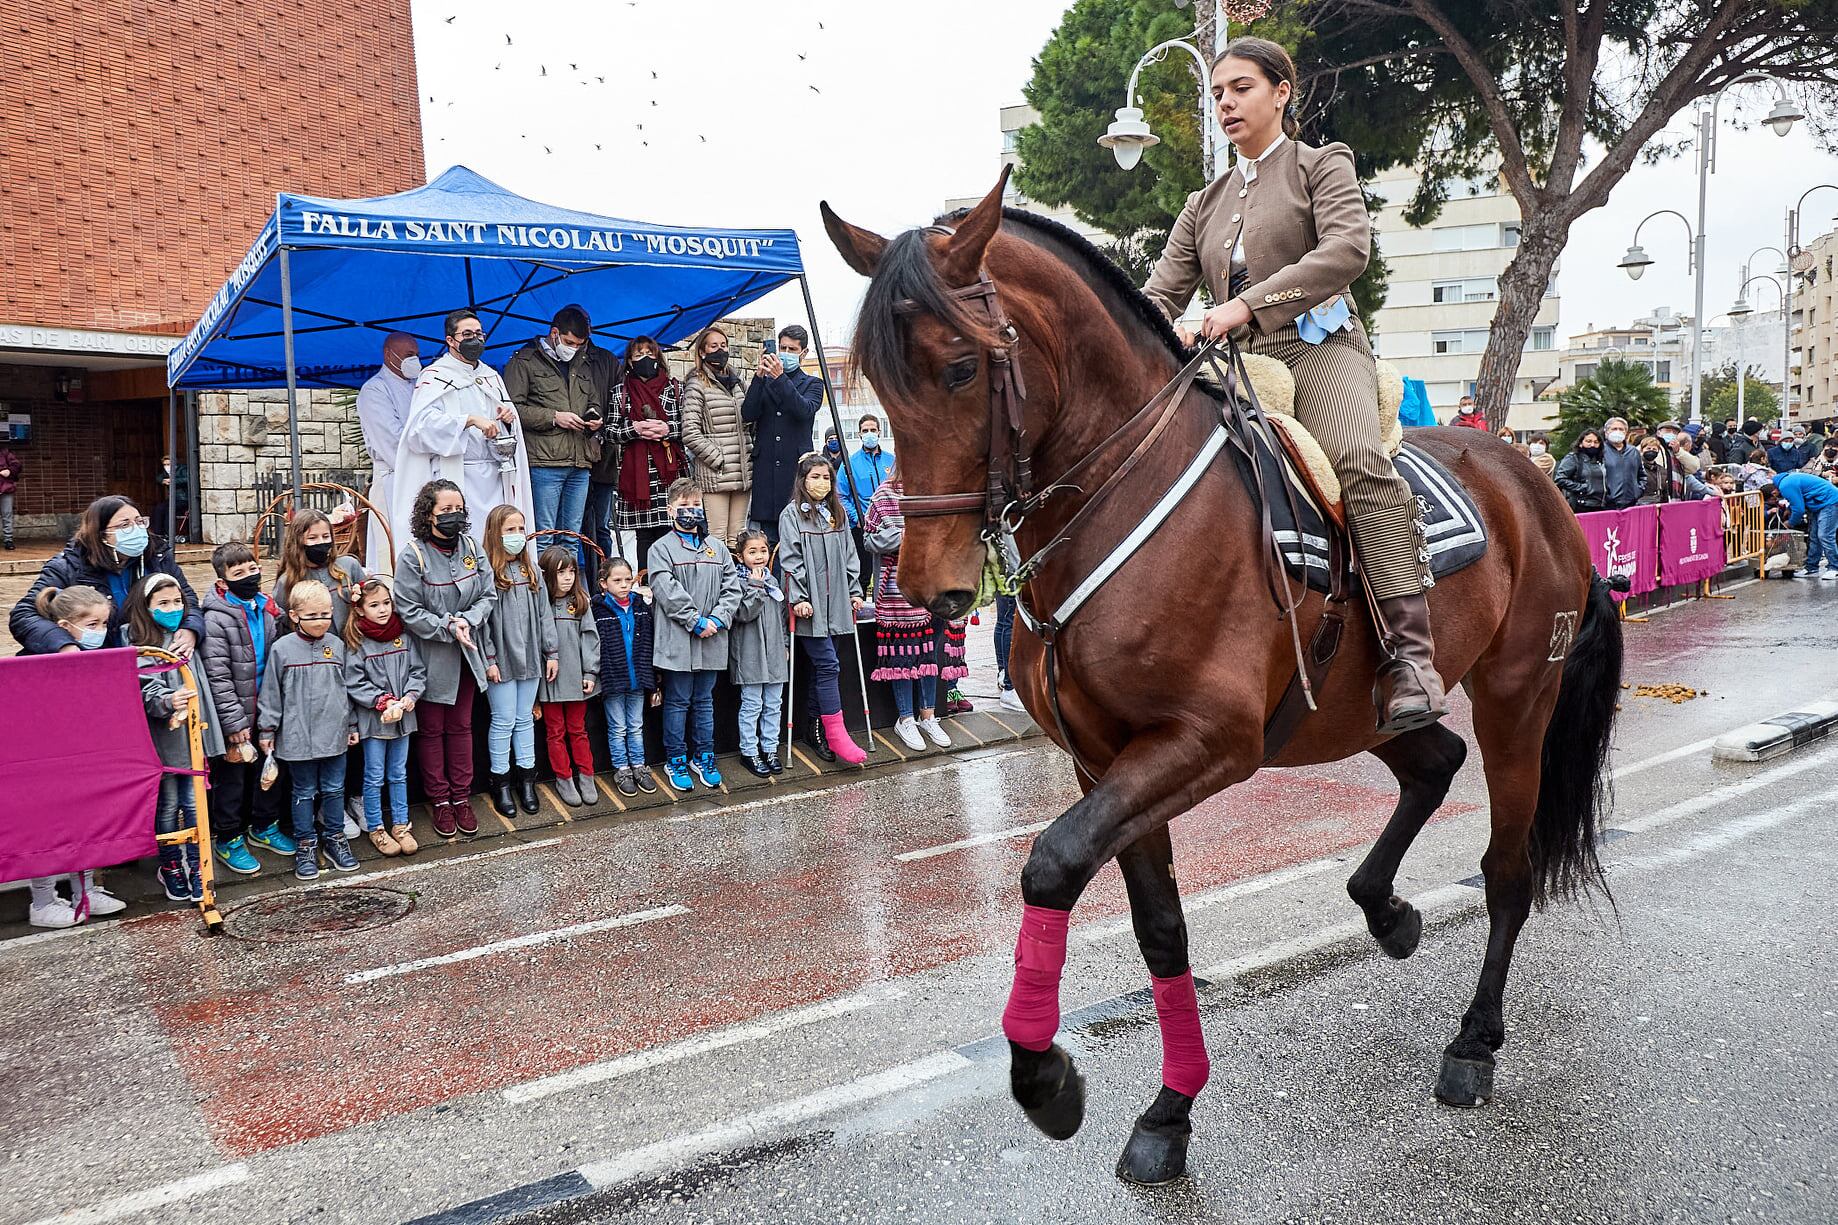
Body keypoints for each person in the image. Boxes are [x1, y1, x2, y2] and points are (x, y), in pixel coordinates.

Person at [1142, 36, 1444, 731]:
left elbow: (1347, 250)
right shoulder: (1203, 201)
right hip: (1236, 362)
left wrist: (1243, 305)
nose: (1226, 103)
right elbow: (1160, 294)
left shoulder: (1320, 164)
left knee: (1357, 461)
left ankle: (1410, 657)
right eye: (1217, 93)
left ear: (1282, 92)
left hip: (1317, 346)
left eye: (1240, 88)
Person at [14, 585, 130, 927]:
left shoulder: (96, 657)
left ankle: (85, 890)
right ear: (65, 627)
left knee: (86, 824)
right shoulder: (31, 661)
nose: (101, 631)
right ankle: (43, 900)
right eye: (92, 624)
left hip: (85, 758)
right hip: (44, 763)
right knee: (46, 832)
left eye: (104, 623)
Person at [394, 480, 497, 841]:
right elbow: (407, 610)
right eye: (446, 511)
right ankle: (439, 801)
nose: (455, 516)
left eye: (459, 509)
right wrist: (446, 626)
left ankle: (462, 796)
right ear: (428, 514)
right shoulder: (413, 555)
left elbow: (488, 593)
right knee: (433, 730)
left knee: (462, 727)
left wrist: (469, 620)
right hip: (432, 656)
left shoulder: (472, 547)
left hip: (468, 653)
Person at [391, 309, 535, 560]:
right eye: (467, 334)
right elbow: (420, 428)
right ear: (450, 340)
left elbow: (505, 420)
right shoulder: (435, 377)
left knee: (495, 542)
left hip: (495, 476)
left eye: (479, 334)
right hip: (458, 475)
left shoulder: (491, 377)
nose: (475, 340)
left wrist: (507, 420)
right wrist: (467, 421)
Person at [199, 541, 296, 875]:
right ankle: (228, 837)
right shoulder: (214, 619)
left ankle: (264, 826)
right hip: (236, 713)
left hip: (267, 708)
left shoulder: (266, 607)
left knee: (269, 770)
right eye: (239, 573)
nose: (249, 577)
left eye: (253, 569)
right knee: (232, 778)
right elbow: (217, 674)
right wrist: (232, 723)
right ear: (223, 582)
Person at [127, 573, 225, 902]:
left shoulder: (187, 638)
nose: (173, 609)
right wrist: (168, 701)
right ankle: (169, 865)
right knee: (167, 805)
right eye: (163, 603)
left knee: (196, 804)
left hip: (194, 736)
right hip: (164, 742)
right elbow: (144, 688)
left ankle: (199, 865)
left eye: (177, 602)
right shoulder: (137, 641)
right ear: (146, 606)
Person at [257, 579, 361, 881]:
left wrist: (352, 724)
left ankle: (335, 838)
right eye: (312, 615)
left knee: (334, 790)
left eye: (326, 615)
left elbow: (347, 690)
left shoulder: (337, 646)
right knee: (303, 792)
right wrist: (267, 730)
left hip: (335, 733)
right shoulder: (282, 650)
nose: (320, 621)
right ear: (294, 616)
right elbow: (271, 694)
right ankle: (305, 843)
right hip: (296, 736)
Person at [11, 495, 203, 656]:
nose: (136, 529)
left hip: (150, 660)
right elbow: (24, 615)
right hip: (94, 660)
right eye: (124, 525)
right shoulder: (68, 566)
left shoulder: (158, 557)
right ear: (102, 534)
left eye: (139, 522)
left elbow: (188, 599)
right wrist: (63, 645)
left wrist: (190, 629)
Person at [648, 479, 742, 792]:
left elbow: (732, 587)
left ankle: (704, 755)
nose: (692, 512)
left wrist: (718, 617)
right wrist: (695, 621)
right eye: (685, 506)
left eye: (696, 505)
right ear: (671, 509)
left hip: (713, 639)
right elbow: (665, 589)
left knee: (704, 702)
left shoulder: (716, 548)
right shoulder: (660, 549)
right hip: (679, 641)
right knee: (677, 702)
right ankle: (675, 758)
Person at [505, 305, 613, 572]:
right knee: (545, 538)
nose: (574, 348)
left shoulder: (583, 363)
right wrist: (554, 417)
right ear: (554, 333)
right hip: (544, 463)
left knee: (572, 539)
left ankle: (569, 602)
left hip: (580, 461)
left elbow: (593, 400)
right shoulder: (524, 361)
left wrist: (594, 416)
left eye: (579, 344)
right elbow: (511, 408)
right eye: (569, 342)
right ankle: (544, 599)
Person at [779, 454, 868, 765]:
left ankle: (816, 728)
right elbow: (790, 561)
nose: (821, 483)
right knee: (828, 665)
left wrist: (855, 592)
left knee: (825, 668)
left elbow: (849, 555)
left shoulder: (836, 513)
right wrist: (799, 597)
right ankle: (835, 733)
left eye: (826, 477)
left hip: (838, 605)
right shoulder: (791, 515)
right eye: (814, 477)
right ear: (803, 480)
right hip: (811, 608)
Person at [862, 472, 952, 752]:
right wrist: (904, 536)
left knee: (929, 653)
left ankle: (928, 715)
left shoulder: (936, 489)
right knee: (902, 654)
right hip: (898, 590)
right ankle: (905, 718)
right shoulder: (883, 496)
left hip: (937, 585)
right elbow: (869, 540)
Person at [479, 504, 557, 818]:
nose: (516, 536)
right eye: (509, 530)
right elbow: (481, 621)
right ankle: (501, 781)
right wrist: (489, 658)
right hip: (502, 658)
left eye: (520, 529)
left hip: (530, 657)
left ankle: (527, 779)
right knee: (503, 720)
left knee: (525, 718)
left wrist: (551, 652)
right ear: (495, 533)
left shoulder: (532, 569)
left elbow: (544, 613)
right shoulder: (486, 571)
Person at [343, 576, 425, 856]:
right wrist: (382, 701)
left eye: (386, 603)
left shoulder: (403, 636)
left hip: (402, 720)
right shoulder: (358, 643)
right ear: (360, 609)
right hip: (374, 722)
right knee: (374, 774)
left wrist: (411, 696)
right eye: (374, 605)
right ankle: (376, 827)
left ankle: (401, 825)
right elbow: (355, 682)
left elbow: (417, 671)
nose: (383, 609)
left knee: (398, 773)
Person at [743, 325, 825, 546]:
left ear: (803, 352)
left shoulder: (813, 384)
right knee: (768, 539)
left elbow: (804, 410)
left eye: (792, 349)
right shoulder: (765, 381)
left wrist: (780, 378)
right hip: (767, 472)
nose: (785, 353)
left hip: (794, 470)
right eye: (782, 348)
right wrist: (759, 377)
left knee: (797, 535)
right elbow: (748, 413)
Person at [606, 335, 684, 566]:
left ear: (658, 357)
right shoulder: (621, 392)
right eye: (639, 355)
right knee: (644, 536)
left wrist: (667, 428)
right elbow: (609, 431)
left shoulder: (674, 387)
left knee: (670, 530)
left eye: (650, 354)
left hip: (669, 471)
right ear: (629, 361)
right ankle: (647, 584)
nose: (645, 359)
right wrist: (634, 429)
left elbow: (688, 426)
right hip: (637, 473)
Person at [536, 545, 601, 807]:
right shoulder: (541, 603)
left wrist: (590, 671)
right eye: (561, 572)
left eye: (572, 571)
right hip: (551, 682)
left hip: (576, 679)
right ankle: (564, 778)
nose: (568, 578)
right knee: (555, 732)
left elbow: (590, 638)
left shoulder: (580, 601)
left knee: (578, 730)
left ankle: (586, 775)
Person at [679, 323, 753, 548]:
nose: (720, 350)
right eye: (714, 346)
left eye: (723, 345)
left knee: (739, 538)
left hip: (742, 472)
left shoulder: (738, 383)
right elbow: (690, 432)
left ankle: (738, 582)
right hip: (716, 474)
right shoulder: (696, 385)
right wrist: (717, 459)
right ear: (702, 351)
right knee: (717, 538)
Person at [591, 556, 659, 797]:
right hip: (613, 677)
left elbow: (649, 640)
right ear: (603, 583)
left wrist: (654, 675)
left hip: (638, 676)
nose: (623, 585)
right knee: (618, 727)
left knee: (636, 726)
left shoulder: (641, 606)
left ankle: (639, 766)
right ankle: (622, 768)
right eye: (616, 580)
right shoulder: (597, 609)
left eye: (627, 580)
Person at [355, 332, 421, 570]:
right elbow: (392, 440)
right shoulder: (375, 390)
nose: (414, 360)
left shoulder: (420, 386)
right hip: (393, 478)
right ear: (388, 354)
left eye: (417, 355)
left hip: (424, 477)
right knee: (391, 548)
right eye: (408, 355)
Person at [729, 528, 788, 777]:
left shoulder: (773, 581)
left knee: (774, 704)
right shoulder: (737, 583)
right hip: (750, 653)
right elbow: (744, 613)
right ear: (741, 557)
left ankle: (770, 748)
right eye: (752, 552)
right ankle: (749, 750)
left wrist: (784, 644)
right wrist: (755, 585)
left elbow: (782, 617)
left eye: (763, 550)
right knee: (752, 704)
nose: (759, 556)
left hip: (774, 652)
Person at [273, 509, 366, 637]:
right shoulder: (287, 581)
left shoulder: (349, 565)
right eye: (312, 538)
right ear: (298, 542)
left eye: (326, 536)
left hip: (353, 645)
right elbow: (283, 625)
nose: (321, 542)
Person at [1763, 474, 1838, 579]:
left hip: (1829, 502)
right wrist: (1789, 509)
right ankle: (1811, 568)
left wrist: (1789, 523)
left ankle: (1834, 567)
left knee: (1825, 535)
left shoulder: (1785, 486)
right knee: (1815, 536)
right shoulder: (1787, 481)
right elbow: (1797, 499)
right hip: (1820, 503)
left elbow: (1799, 509)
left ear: (1774, 492)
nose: (1778, 498)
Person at [841, 414, 894, 528]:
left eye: (873, 430)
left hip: (891, 525)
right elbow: (841, 495)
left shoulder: (892, 460)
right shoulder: (849, 463)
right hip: (862, 526)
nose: (869, 433)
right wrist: (856, 518)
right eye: (865, 431)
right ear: (859, 434)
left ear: (879, 432)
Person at [1554, 430, 1609, 513]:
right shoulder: (1573, 458)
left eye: (1596, 442)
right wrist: (1582, 487)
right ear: (1580, 443)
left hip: (1601, 506)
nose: (1592, 445)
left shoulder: (1602, 460)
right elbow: (1560, 479)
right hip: (1580, 506)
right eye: (1588, 441)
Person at [1599, 417, 1646, 510]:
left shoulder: (1633, 451)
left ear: (1626, 432)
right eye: (1614, 429)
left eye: (1621, 429)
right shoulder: (1600, 450)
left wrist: (1638, 491)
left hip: (1631, 504)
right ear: (1606, 432)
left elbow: (1642, 474)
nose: (1618, 431)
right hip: (1607, 505)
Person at [153, 453, 190, 539]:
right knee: (159, 508)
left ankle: (169, 534)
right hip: (173, 499)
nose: (166, 466)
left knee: (169, 509)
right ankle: (158, 534)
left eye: (168, 464)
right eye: (165, 465)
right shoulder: (166, 473)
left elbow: (187, 479)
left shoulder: (182, 469)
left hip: (183, 499)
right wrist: (163, 481)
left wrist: (173, 481)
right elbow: (158, 478)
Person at [0, 441, 20, 550]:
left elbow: (17, 465)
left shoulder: (5, 452)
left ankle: (8, 540)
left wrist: (9, 471)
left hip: (5, 488)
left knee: (7, 514)